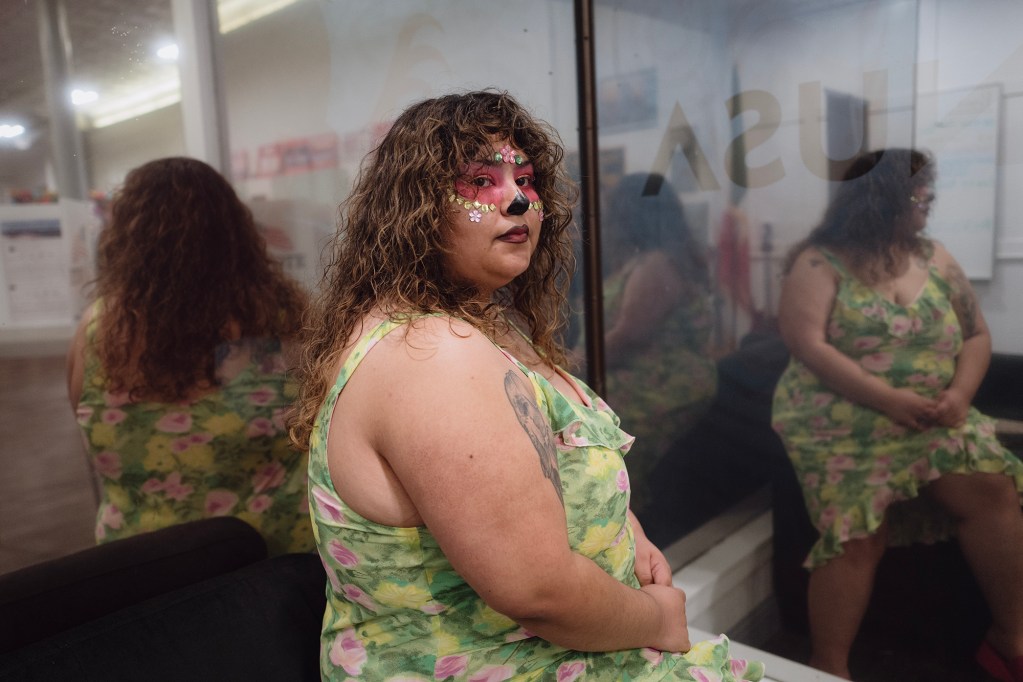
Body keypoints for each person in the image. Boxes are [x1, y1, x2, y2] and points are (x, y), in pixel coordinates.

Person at [291, 90, 764, 681]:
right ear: (414, 208)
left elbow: (540, 468)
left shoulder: (479, 323)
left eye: (526, 178)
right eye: (481, 181)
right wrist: (655, 619)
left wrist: (623, 528)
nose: (517, 199)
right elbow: (537, 591)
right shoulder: (432, 353)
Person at [771, 148, 1023, 680]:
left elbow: (976, 334)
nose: (928, 203)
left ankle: (1011, 636)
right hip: (840, 418)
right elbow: (808, 346)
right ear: (878, 200)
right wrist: (889, 399)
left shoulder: (936, 257)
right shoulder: (819, 262)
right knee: (859, 531)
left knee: (991, 485)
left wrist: (959, 393)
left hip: (932, 415)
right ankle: (828, 666)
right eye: (917, 193)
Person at [67, 156, 313, 557]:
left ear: (128, 238)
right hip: (272, 566)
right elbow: (322, 417)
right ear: (235, 231)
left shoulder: (97, 331)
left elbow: (82, 417)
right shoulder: (281, 317)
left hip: (142, 570)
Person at [597, 173, 717, 515]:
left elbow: (630, 334)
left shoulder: (657, 265)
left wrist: (570, 366)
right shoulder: (662, 258)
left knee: (598, 442)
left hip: (658, 383)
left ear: (630, 214)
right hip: (662, 376)